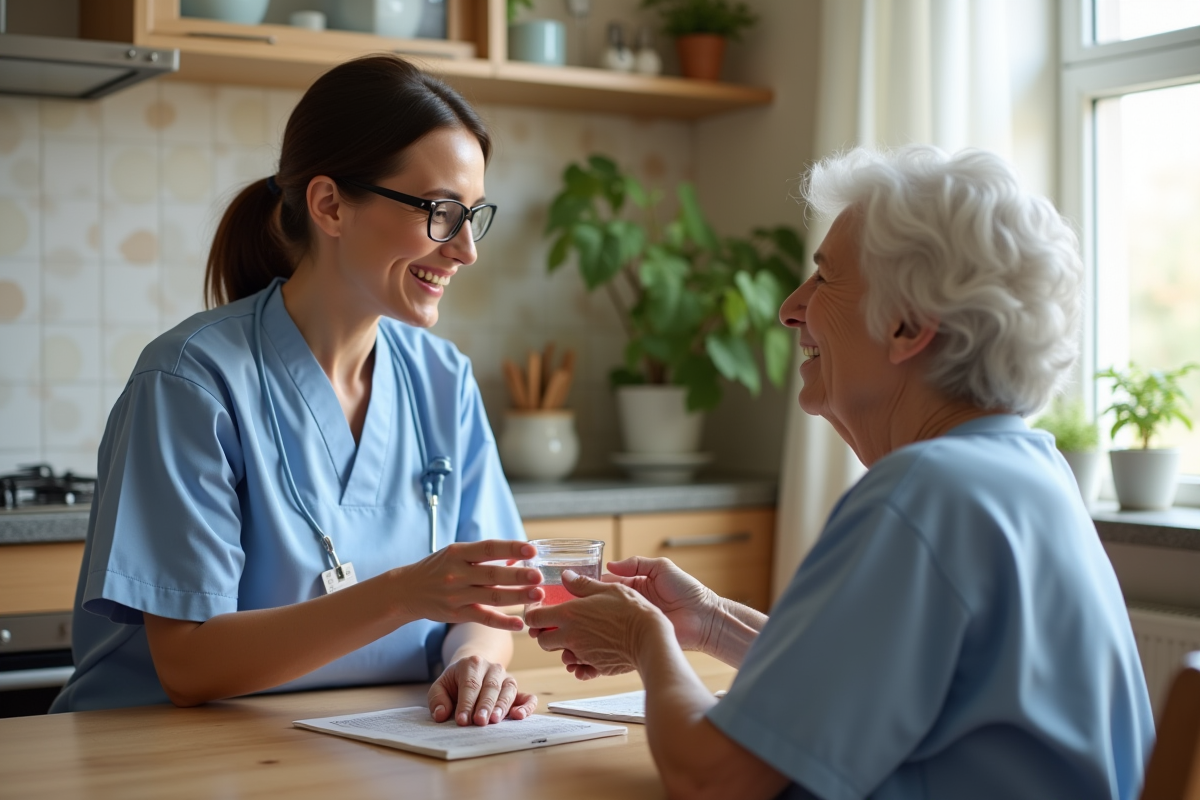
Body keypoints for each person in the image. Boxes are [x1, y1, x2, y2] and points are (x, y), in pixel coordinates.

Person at [528, 146, 1156, 799]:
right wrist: (710, 621)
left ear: (908, 325)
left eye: (824, 279)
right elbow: (877, 675)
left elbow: (708, 779)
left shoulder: (926, 493)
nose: (790, 308)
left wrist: (643, 637)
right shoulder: (1022, 471)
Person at [51, 55, 545, 727]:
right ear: (330, 205)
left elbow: (486, 605)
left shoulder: (443, 380)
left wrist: (472, 664)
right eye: (439, 211)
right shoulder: (190, 381)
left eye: (472, 216)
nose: (465, 250)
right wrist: (401, 595)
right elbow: (190, 667)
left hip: (371, 744)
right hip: (168, 754)